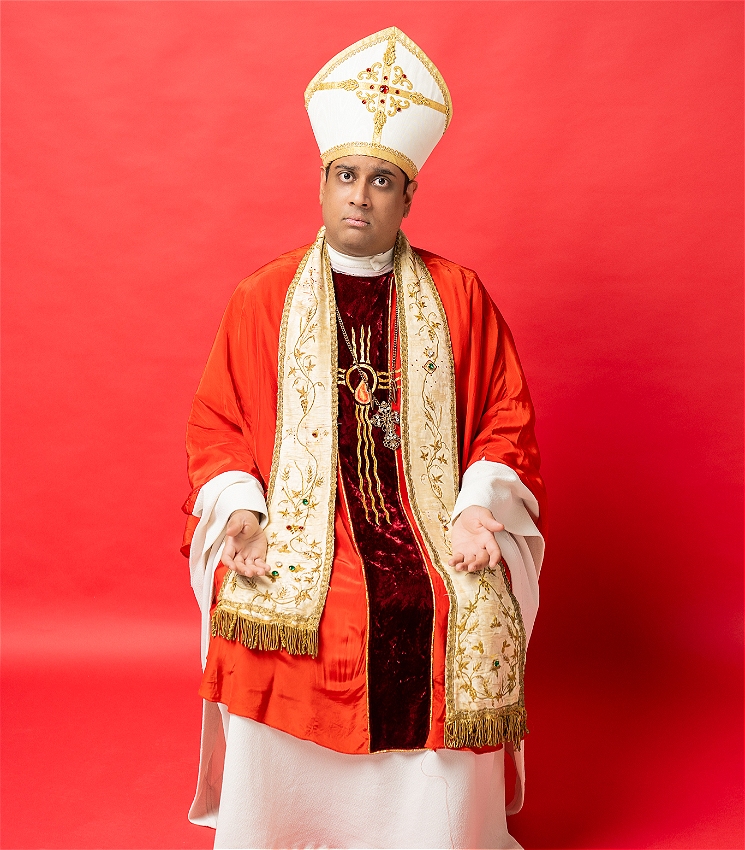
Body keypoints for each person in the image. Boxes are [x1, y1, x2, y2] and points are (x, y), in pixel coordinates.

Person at [182, 26, 545, 850]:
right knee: (279, 597)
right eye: (345, 175)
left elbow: (505, 415)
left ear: (406, 198)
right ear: (320, 183)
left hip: (428, 525)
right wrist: (239, 508)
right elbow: (215, 422)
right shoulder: (263, 298)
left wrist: (479, 505)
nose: (360, 195)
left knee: (462, 594)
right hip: (309, 533)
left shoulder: (458, 296)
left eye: (382, 180)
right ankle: (284, 832)